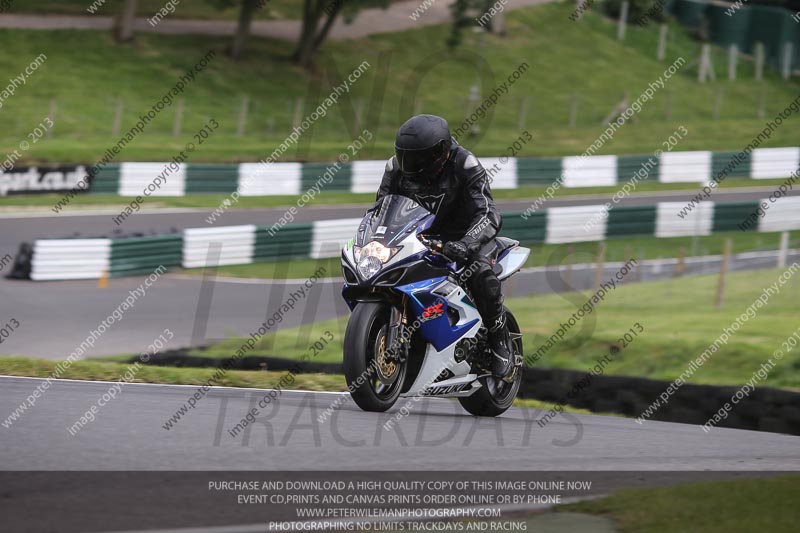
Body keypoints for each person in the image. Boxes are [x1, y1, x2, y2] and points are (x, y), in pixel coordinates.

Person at [374, 114, 515, 381]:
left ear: (440, 152)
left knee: (480, 275)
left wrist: (466, 243)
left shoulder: (465, 164)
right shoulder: (395, 169)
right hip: (420, 236)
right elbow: (382, 207)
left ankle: (499, 340)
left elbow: (487, 213)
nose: (408, 165)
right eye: (404, 157)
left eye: (415, 159)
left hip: (465, 238)